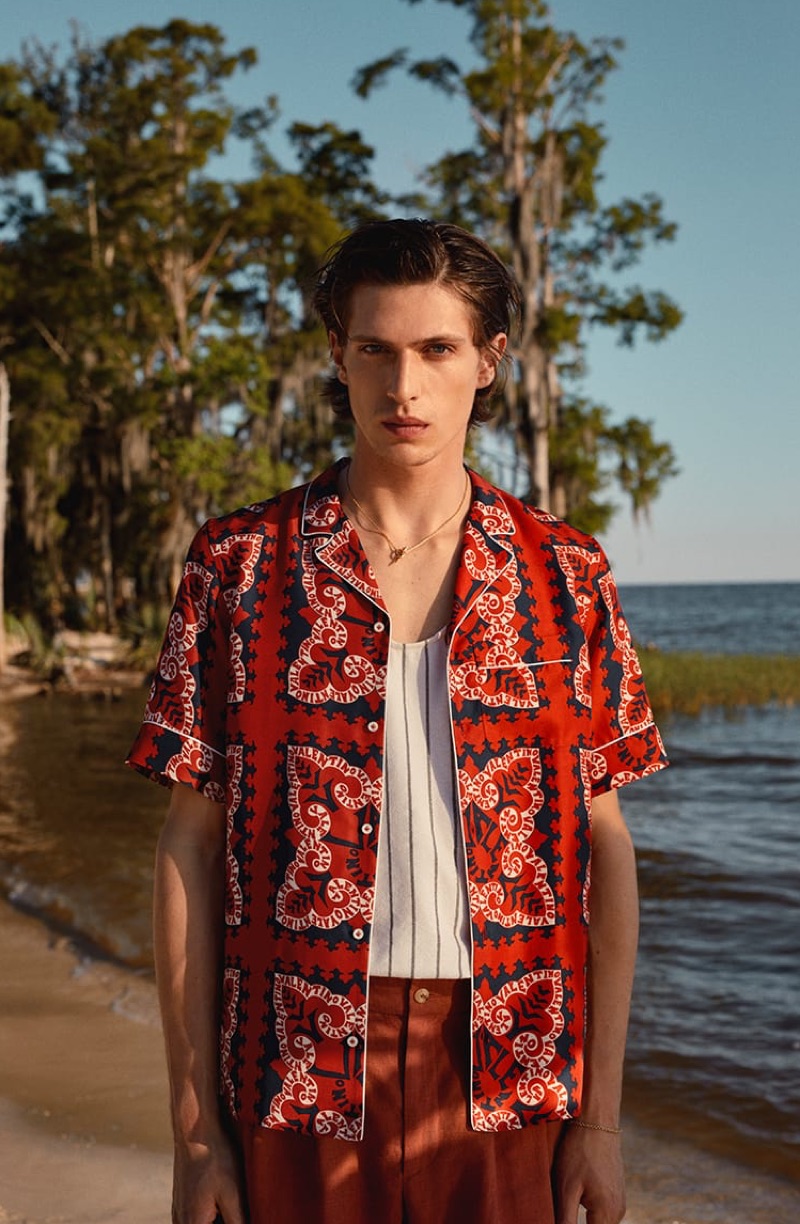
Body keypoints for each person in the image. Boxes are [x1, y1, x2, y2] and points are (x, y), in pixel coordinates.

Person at [127, 218, 668, 1224]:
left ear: (489, 362)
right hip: (294, 1061)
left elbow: (607, 853)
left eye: (435, 350)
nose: (402, 387)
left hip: (509, 1065)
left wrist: (599, 1125)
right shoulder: (237, 566)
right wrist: (195, 1138)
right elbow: (188, 851)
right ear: (337, 357)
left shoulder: (565, 573)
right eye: (373, 349)